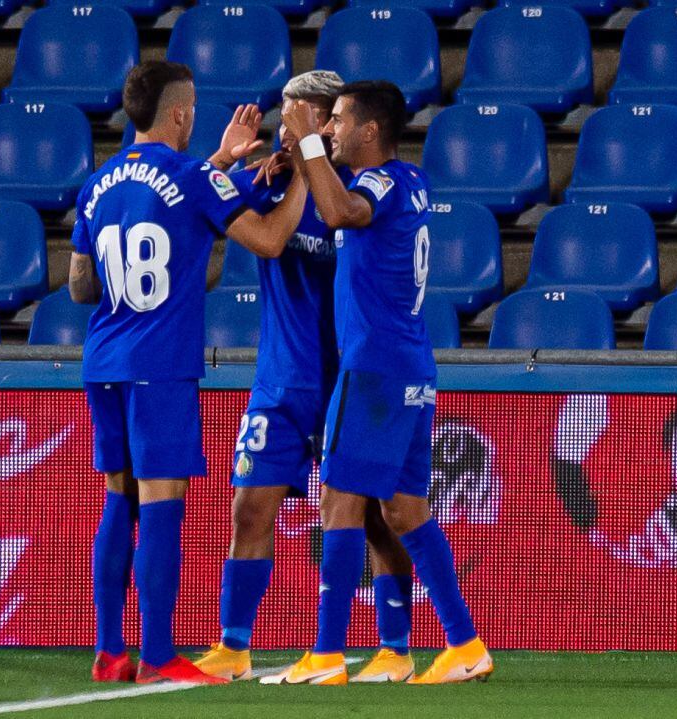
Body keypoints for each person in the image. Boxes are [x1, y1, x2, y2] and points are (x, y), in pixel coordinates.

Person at [69, 60, 308, 685]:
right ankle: (158, 655)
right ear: (179, 114)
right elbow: (270, 240)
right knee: (163, 505)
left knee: (118, 500)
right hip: (160, 365)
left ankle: (110, 650)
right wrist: (305, 178)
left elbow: (78, 285)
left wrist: (225, 164)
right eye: (193, 107)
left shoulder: (97, 183)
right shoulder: (193, 175)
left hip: (102, 361)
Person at [263, 81, 493, 685]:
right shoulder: (412, 182)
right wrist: (302, 160)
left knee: (340, 502)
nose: (332, 128)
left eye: (338, 120)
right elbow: (342, 203)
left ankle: (327, 653)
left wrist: (309, 145)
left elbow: (341, 211)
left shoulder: (377, 186)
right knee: (406, 509)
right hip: (412, 369)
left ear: (369, 130)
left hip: (373, 370)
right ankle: (464, 645)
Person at [195, 71, 419, 684]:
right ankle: (234, 645)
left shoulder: (355, 195)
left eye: (303, 119)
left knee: (374, 513)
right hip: (279, 381)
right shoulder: (267, 184)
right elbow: (195, 200)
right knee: (249, 507)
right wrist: (230, 158)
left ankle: (393, 645)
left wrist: (302, 169)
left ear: (332, 124)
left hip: (347, 382)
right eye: (284, 118)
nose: (287, 130)